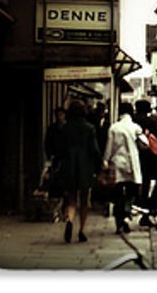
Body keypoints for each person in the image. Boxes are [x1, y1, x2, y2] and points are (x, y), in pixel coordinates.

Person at [56, 99, 101, 243]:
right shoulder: (89, 128)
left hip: (69, 166)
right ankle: (81, 230)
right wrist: (100, 164)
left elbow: (60, 150)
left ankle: (69, 220)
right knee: (84, 199)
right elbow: (94, 150)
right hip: (85, 167)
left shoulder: (65, 128)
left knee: (71, 199)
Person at [102, 103, 145, 233]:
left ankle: (118, 222)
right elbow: (146, 144)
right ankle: (127, 213)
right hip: (132, 163)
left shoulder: (114, 128)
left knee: (117, 193)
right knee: (132, 191)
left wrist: (105, 160)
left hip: (117, 163)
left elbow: (109, 147)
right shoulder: (136, 128)